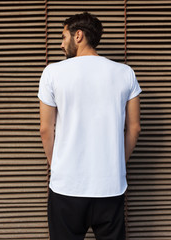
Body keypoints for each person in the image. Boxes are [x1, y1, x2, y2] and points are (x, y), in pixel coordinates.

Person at [38, 12, 141, 240]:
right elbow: (134, 128)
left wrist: (59, 166)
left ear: (78, 35)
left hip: (67, 188)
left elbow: (45, 130)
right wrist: (116, 162)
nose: (60, 44)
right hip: (110, 187)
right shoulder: (126, 73)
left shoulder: (52, 73)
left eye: (63, 37)